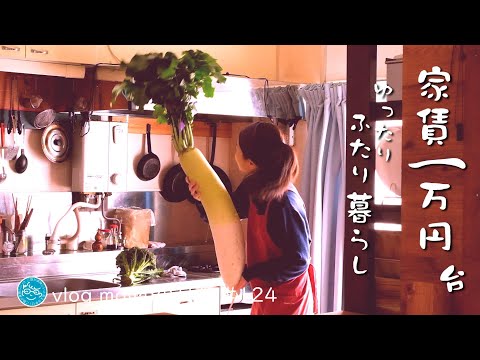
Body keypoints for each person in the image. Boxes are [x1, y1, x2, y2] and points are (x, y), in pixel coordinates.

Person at [186, 121, 318, 315]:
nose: (235, 153)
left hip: (288, 299)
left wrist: (249, 274)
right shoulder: (254, 186)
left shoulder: (285, 203)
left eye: (238, 149)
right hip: (265, 293)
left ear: (250, 162)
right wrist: (200, 198)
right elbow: (226, 213)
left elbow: (298, 261)